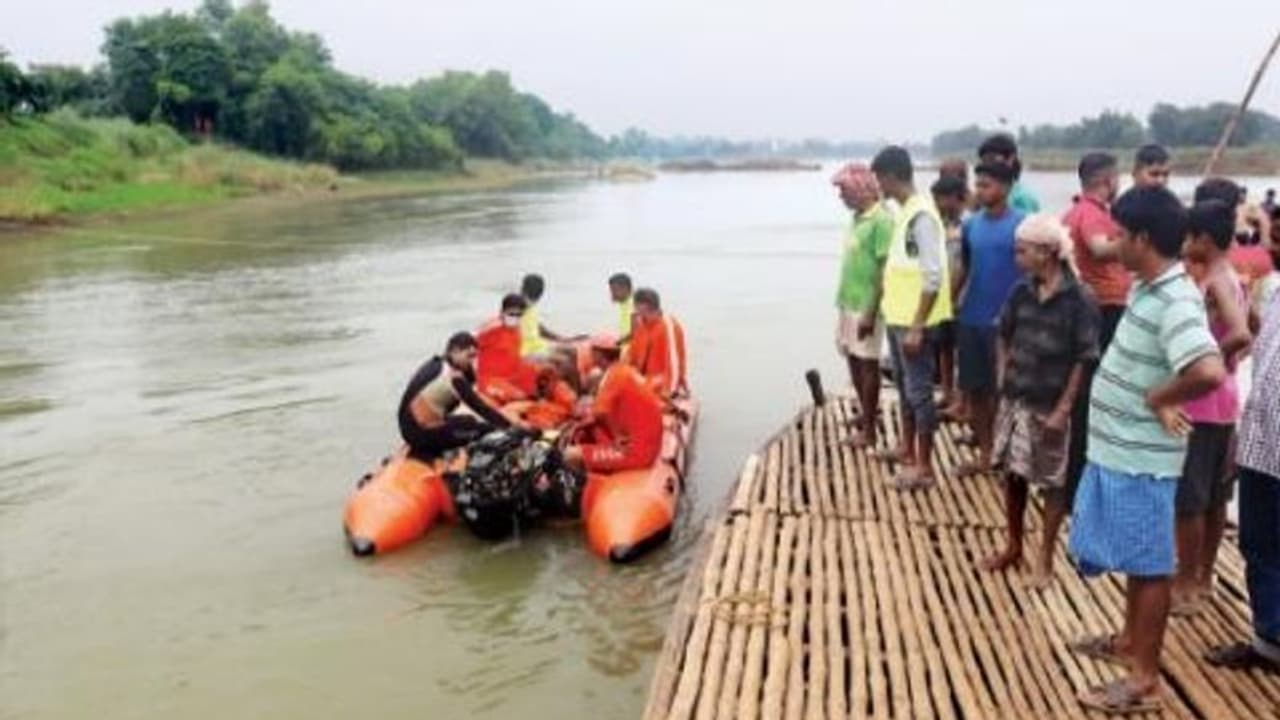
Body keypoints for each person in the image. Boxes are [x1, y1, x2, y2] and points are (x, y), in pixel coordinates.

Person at [1067, 186, 1227, 714]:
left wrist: (1161, 396)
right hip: (1122, 453)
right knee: (1138, 563)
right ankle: (1129, 643)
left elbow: (1207, 370)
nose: (1112, 243)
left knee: (1150, 565)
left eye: (1118, 235)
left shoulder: (1177, 299)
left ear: (1141, 238)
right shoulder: (1150, 285)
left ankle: (1144, 680)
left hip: (1142, 460)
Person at [984, 214, 1098, 587]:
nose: (1017, 257)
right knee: (1013, 474)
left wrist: (1065, 408)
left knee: (1053, 480)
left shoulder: (1079, 298)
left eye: (1023, 251)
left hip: (1051, 401)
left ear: (1047, 253)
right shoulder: (1022, 291)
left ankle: (1045, 559)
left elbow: (1085, 356)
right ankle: (1013, 544)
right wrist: (1003, 372)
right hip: (1017, 396)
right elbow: (1002, 332)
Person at [1173, 199, 1252, 616]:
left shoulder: (1219, 280)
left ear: (1203, 239)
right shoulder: (1230, 277)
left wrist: (1211, 358)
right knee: (1216, 495)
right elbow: (1252, 329)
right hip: (1224, 404)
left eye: (1188, 236)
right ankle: (1203, 575)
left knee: (1191, 499)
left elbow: (1240, 334)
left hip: (1204, 405)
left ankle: (1187, 583)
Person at [1204, 289, 1280, 674]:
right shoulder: (1277, 295)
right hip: (1261, 445)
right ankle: (1269, 641)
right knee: (1258, 545)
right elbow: (1262, 370)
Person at [870, 146, 953, 490]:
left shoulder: (920, 216)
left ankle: (925, 467)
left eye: (879, 179)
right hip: (899, 317)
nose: (878, 186)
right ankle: (907, 448)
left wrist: (918, 325)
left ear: (890, 175)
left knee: (919, 392)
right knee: (905, 387)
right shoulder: (906, 213)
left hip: (915, 323)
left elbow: (932, 275)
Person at [1062, 153, 1126, 512]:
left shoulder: (1073, 213)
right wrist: (1139, 243)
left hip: (1090, 310)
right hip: (1103, 310)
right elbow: (1101, 249)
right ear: (1107, 180)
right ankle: (1079, 488)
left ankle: (1076, 484)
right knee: (1090, 403)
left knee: (1085, 400)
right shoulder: (1090, 214)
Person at [954, 161, 1025, 477]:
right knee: (976, 391)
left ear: (1007, 188)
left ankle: (1006, 456)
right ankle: (985, 453)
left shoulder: (1023, 225)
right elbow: (965, 267)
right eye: (978, 184)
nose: (980, 191)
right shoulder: (971, 226)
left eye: (987, 185)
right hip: (972, 317)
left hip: (1009, 324)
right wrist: (950, 301)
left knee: (1005, 393)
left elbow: (1033, 274)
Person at [831, 162, 894, 447]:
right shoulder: (859, 218)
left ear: (861, 189)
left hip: (867, 305)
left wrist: (870, 311)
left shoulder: (881, 220)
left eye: (844, 190)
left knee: (867, 364)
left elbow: (884, 268)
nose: (841, 196)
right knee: (853, 360)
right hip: (849, 301)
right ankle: (867, 413)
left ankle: (869, 431)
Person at [397, 332, 517, 460]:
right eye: (469, 356)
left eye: (474, 357)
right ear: (454, 351)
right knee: (486, 430)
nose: (471, 361)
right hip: (421, 435)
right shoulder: (454, 377)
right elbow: (480, 407)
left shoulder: (435, 364)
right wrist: (511, 427)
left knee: (467, 420)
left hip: (409, 428)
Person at [564, 335, 665, 474]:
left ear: (599, 355)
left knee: (569, 455)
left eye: (592, 351)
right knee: (592, 432)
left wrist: (617, 437)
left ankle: (579, 489)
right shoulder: (626, 371)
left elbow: (600, 413)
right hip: (645, 444)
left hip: (636, 452)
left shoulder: (613, 377)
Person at [932, 174, 969, 416]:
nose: (937, 205)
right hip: (940, 299)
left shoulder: (969, 226)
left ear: (956, 199)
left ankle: (962, 401)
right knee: (943, 347)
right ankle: (947, 393)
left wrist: (953, 295)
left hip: (962, 300)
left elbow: (966, 265)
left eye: (941, 200)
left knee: (962, 351)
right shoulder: (938, 226)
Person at [476, 293, 541, 402]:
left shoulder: (516, 329)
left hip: (512, 374)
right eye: (511, 314)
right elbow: (471, 343)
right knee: (518, 396)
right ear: (502, 312)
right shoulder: (491, 329)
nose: (515, 317)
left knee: (542, 373)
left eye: (519, 315)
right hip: (490, 379)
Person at [625, 287, 689, 398]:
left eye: (635, 305)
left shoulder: (669, 326)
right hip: (642, 380)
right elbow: (632, 356)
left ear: (644, 306)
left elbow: (675, 364)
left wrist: (670, 393)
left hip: (661, 383)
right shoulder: (641, 324)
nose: (633, 308)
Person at [518, 273, 582, 360]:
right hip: (526, 352)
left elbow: (539, 328)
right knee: (564, 359)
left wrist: (564, 339)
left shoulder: (530, 307)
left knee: (574, 351)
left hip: (538, 346)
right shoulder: (516, 306)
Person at [978, 133, 1040, 213]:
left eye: (991, 159)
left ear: (1010, 159)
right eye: (984, 161)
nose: (987, 165)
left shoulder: (1022, 198)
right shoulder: (985, 194)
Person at [609, 272, 636, 341]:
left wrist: (618, 342)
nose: (612, 293)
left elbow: (636, 332)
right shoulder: (624, 303)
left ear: (625, 289)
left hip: (632, 349)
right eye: (611, 290)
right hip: (625, 348)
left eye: (614, 290)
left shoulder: (634, 305)